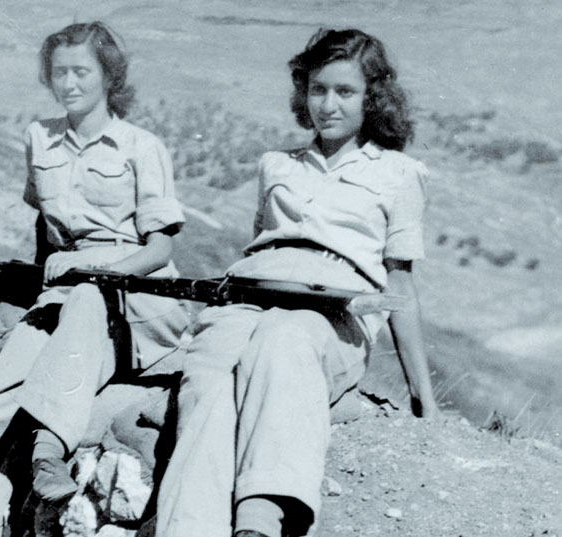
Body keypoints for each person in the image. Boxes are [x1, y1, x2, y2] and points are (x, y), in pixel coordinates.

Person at [154, 28, 439, 537]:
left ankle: (260, 520)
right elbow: (258, 246)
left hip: (331, 318)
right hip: (249, 296)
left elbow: (400, 283)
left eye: (345, 91)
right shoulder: (276, 165)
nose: (328, 105)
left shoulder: (400, 173)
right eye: (317, 90)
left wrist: (425, 400)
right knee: (212, 373)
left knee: (283, 337)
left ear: (372, 97)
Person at [0, 22, 189, 537]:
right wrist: (48, 280)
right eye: (59, 73)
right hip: (65, 292)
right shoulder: (40, 138)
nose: (69, 83)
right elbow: (44, 222)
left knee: (87, 299)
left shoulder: (141, 147)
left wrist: (98, 270)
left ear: (109, 77)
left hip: (136, 298)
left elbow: (160, 250)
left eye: (82, 71)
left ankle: (48, 451)